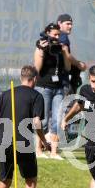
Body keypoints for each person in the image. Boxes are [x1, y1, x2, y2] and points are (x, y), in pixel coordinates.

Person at [34, 22, 71, 159]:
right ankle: (38, 149)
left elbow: (67, 68)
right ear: (47, 34)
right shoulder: (41, 45)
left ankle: (54, 152)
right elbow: (37, 68)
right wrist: (41, 50)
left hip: (59, 88)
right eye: (54, 34)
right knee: (42, 120)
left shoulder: (60, 47)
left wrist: (65, 52)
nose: (56, 37)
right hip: (43, 87)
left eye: (58, 35)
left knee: (57, 119)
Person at [57, 13, 87, 95]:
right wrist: (79, 64)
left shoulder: (53, 35)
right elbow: (66, 54)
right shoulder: (63, 35)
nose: (70, 26)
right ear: (59, 23)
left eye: (71, 24)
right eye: (67, 24)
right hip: (62, 81)